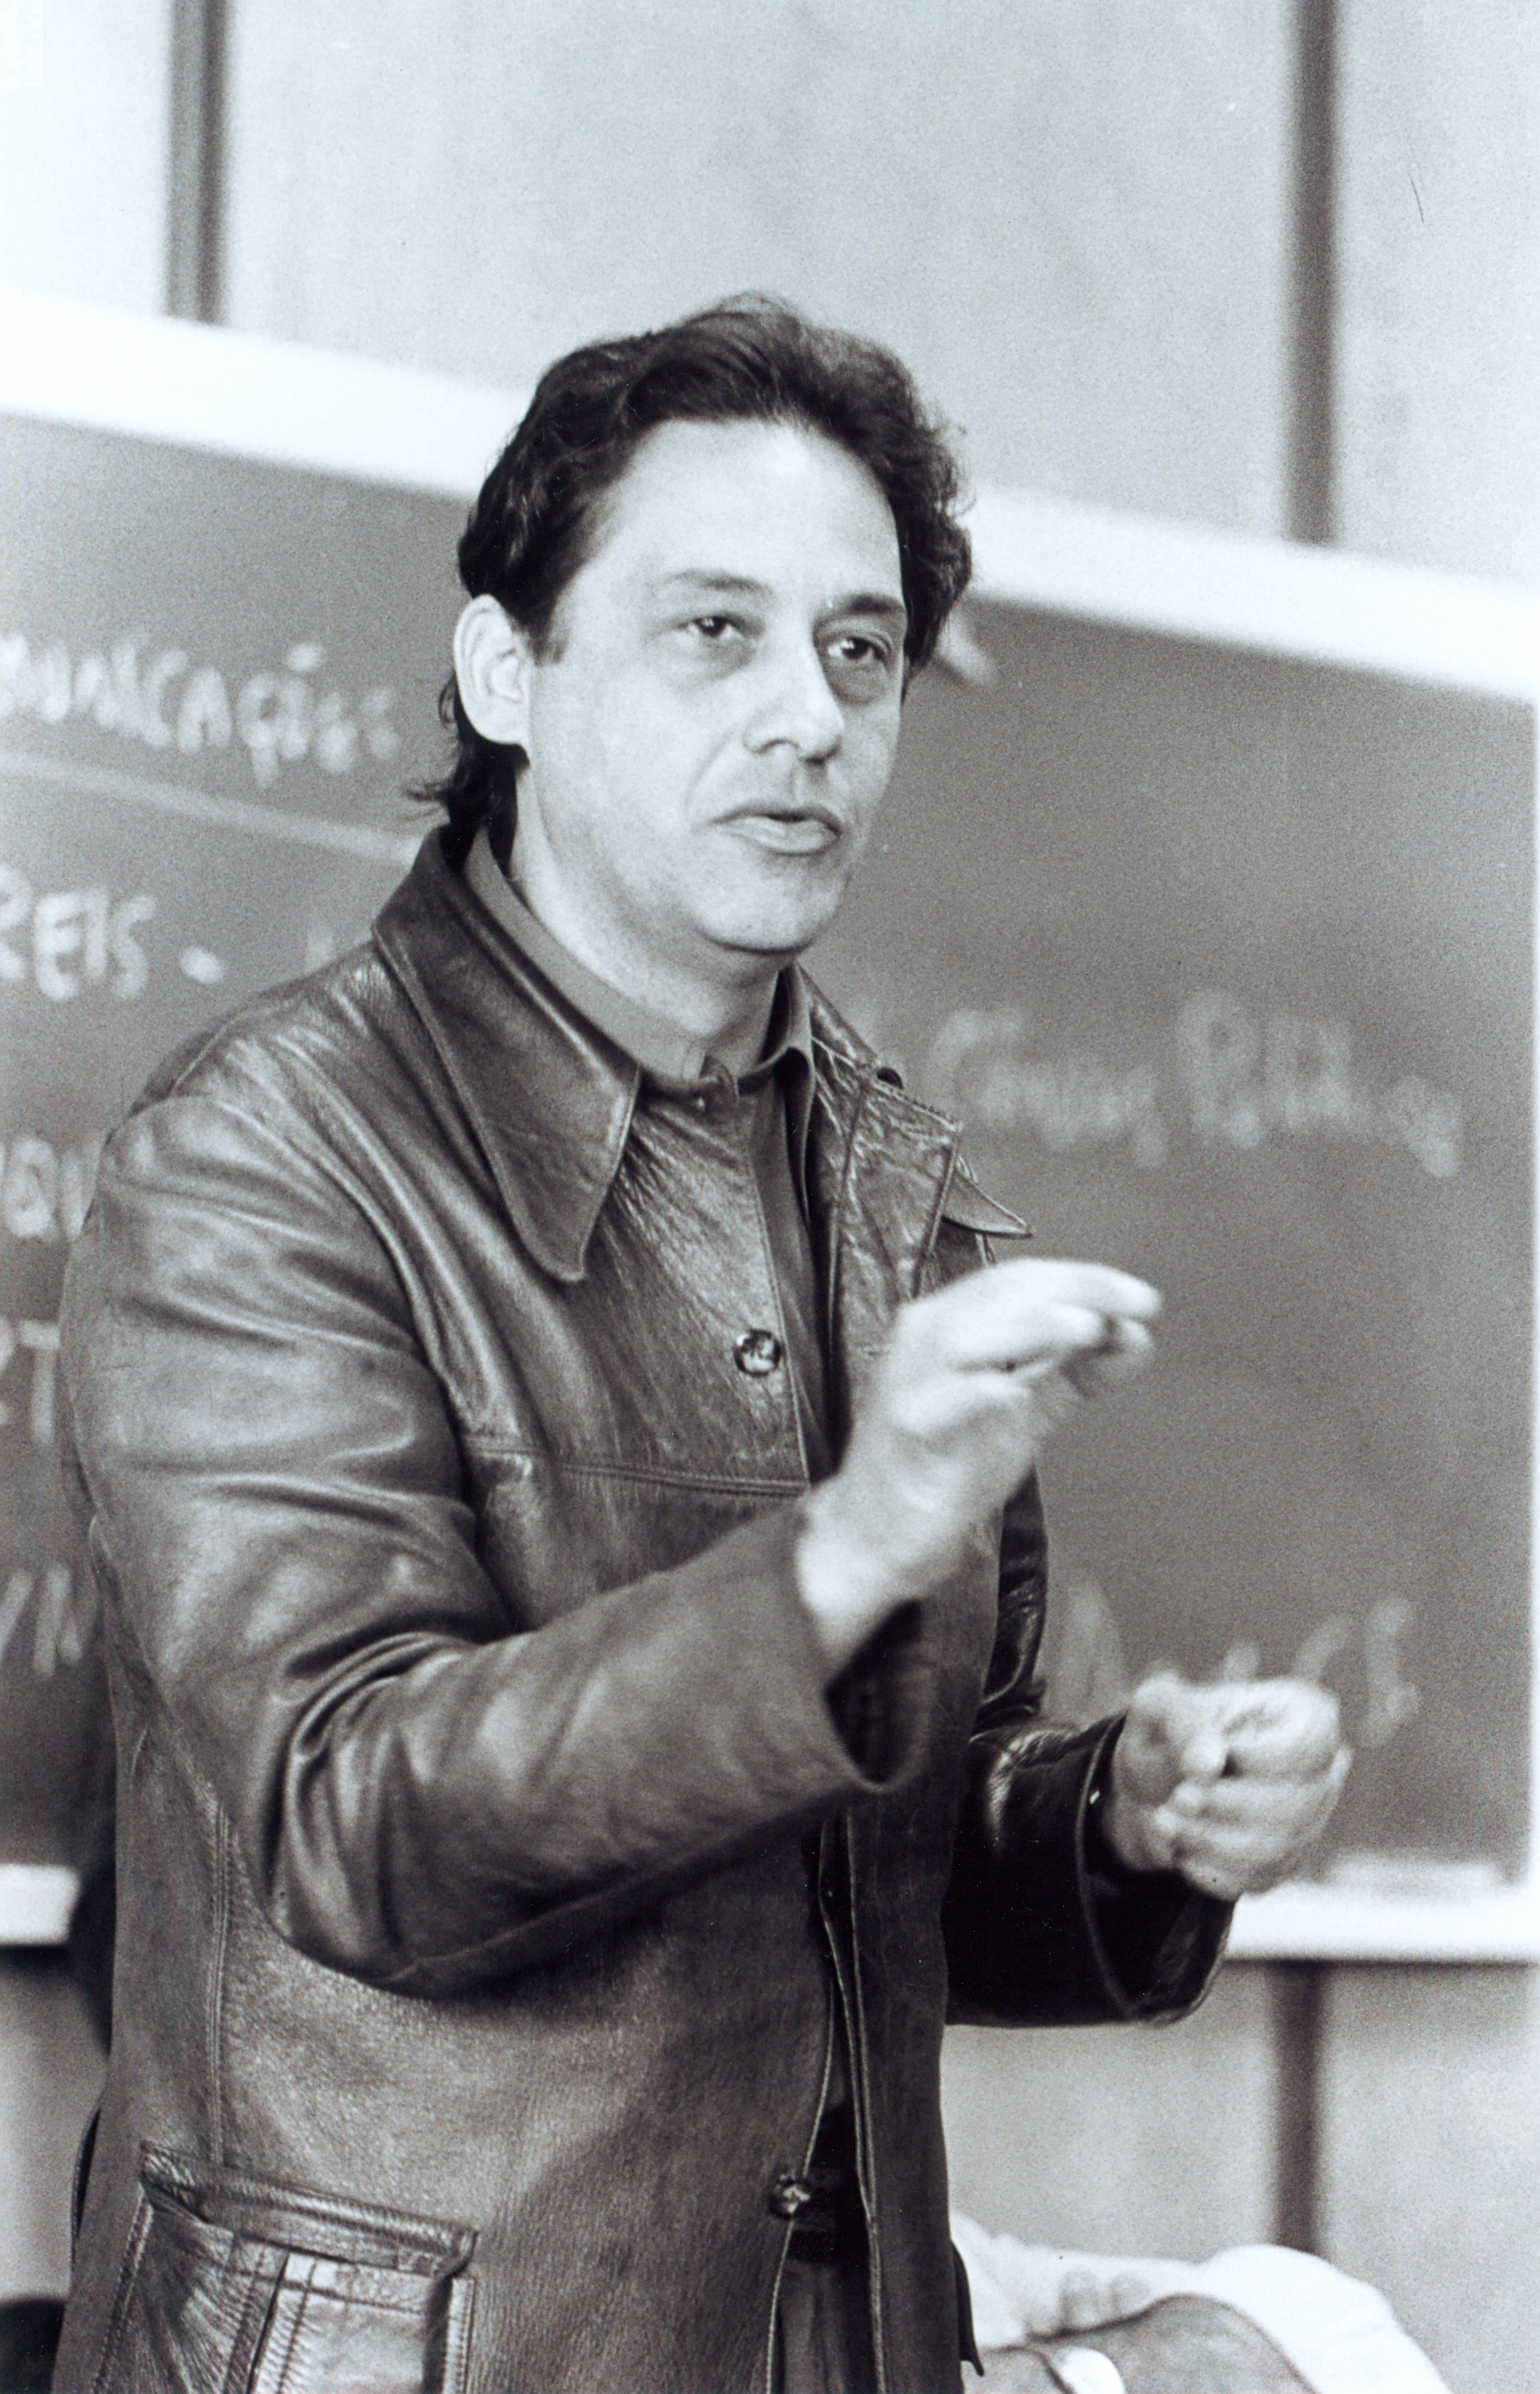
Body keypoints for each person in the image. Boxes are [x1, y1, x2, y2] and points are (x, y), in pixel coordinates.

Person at [54, 299, 1348, 2394]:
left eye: (859, 649)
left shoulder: (890, 1182)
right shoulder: (259, 1151)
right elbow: (352, 1822)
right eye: (712, 632)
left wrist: (1113, 1818)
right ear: (509, 673)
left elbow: (861, 1874)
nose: (808, 715)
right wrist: (839, 1556)